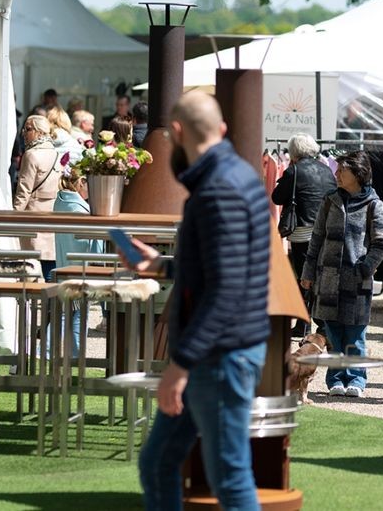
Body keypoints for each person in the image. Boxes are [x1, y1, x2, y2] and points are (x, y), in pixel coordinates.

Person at [123, 92, 272, 510]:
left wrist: (180, 364)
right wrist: (161, 265)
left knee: (229, 476)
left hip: (221, 355)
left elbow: (225, 288)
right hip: (220, 351)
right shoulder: (231, 178)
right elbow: (220, 269)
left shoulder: (217, 188)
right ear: (221, 129)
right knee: (158, 462)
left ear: (176, 133)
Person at [300, 151, 383, 397]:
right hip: (327, 279)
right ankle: (336, 379)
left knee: (355, 334)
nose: (336, 174)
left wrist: (365, 267)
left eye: (342, 170)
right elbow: (316, 239)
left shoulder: (374, 203)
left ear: (358, 174)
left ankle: (357, 380)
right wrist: (308, 273)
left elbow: (380, 243)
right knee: (333, 333)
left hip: (356, 281)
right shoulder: (329, 201)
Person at [272, 133, 337, 336]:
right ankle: (316, 324)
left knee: (303, 278)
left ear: (293, 152)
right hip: (324, 230)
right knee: (317, 277)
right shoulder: (327, 170)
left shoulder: (294, 171)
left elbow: (277, 197)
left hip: (302, 232)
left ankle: (309, 324)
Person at [53, 170, 103, 356]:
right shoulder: (77, 208)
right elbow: (87, 241)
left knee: (74, 314)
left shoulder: (63, 202)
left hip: (67, 266)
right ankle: (46, 351)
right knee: (70, 315)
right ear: (81, 183)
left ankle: (75, 355)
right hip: (78, 270)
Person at [13, 115, 62, 282]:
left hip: (33, 213)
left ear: (40, 132)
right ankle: (52, 304)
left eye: (28, 129)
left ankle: (33, 303)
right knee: (49, 259)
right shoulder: (55, 153)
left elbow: (24, 189)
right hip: (52, 212)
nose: (24, 133)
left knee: (29, 263)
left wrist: (14, 213)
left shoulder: (31, 155)